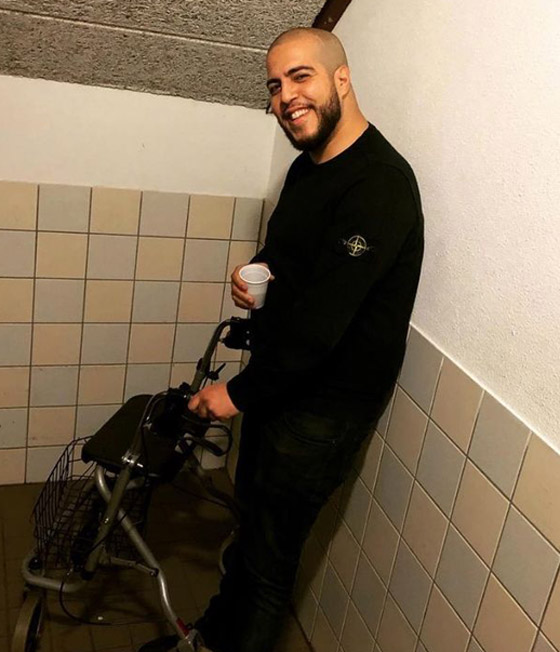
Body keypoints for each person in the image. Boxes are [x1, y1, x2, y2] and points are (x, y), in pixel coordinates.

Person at [143, 26, 423, 652]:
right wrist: (257, 273)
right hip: (281, 387)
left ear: (341, 79)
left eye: (301, 77)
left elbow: (322, 328)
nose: (285, 97)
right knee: (252, 531)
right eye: (274, 85)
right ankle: (211, 638)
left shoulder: (379, 185)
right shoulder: (307, 169)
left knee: (270, 564)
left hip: (324, 408)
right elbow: (286, 254)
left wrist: (236, 394)